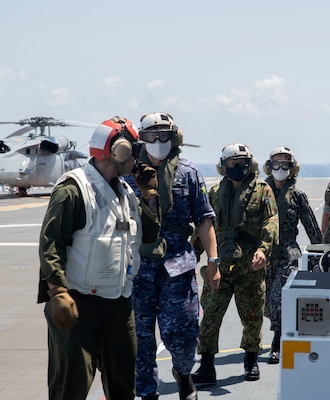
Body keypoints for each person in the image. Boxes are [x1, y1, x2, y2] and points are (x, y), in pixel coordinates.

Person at [38, 117, 159, 400]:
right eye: (134, 148)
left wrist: (149, 195)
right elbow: (50, 242)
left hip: (119, 304)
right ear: (120, 151)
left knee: (123, 388)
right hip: (78, 305)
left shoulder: (127, 192)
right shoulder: (73, 189)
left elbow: (150, 236)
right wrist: (57, 291)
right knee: (70, 386)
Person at [132, 112, 220, 400]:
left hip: (177, 267)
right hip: (137, 269)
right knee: (140, 339)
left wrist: (213, 262)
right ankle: (147, 393)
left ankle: (183, 374)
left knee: (182, 335)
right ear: (141, 139)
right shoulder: (126, 173)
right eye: (151, 135)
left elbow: (205, 220)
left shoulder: (189, 173)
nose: (158, 141)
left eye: (164, 135)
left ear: (174, 137)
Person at [192, 143, 278, 385]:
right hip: (218, 268)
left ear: (250, 164)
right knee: (209, 317)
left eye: (241, 163)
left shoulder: (263, 191)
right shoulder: (216, 193)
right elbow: (204, 227)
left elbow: (272, 221)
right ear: (223, 165)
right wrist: (192, 254)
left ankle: (251, 360)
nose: (237, 167)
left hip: (250, 267)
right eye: (232, 163)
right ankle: (207, 365)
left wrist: (263, 250)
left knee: (252, 318)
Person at [262, 147, 322, 364]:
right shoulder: (260, 191)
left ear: (292, 168)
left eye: (284, 164)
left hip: (287, 252)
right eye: (275, 164)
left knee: (281, 297)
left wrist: (321, 253)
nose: (280, 168)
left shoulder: (297, 196)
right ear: (269, 166)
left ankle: (277, 341)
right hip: (262, 250)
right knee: (264, 301)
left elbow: (312, 228)